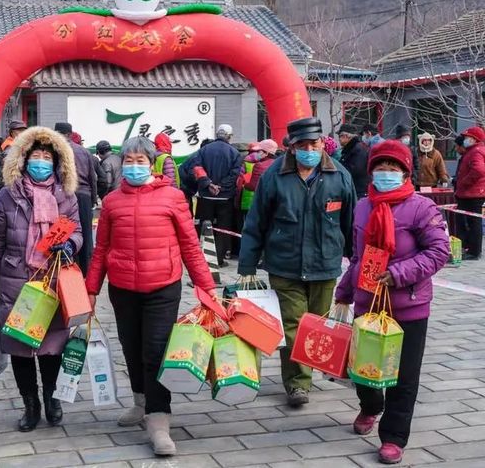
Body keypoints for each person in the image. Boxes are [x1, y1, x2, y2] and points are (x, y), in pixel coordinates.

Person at [85, 136, 216, 457]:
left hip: (163, 287)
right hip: (122, 289)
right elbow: (101, 249)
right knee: (131, 347)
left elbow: (190, 246)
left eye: (140, 161)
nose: (134, 166)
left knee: (155, 352)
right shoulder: (112, 201)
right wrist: (90, 290)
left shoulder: (173, 197)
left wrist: (207, 287)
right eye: (128, 161)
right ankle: (140, 402)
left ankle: (159, 420)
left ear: (151, 163)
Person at [335, 140, 449, 465]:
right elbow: (357, 256)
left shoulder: (421, 208)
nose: (386, 173)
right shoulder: (362, 206)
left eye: (393, 168)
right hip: (368, 302)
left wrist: (398, 273)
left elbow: (438, 251)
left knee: (404, 376)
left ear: (405, 172)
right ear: (371, 172)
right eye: (381, 168)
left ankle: (394, 437)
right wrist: (345, 290)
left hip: (408, 305)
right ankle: (371, 406)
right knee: (363, 369)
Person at [239, 117, 356, 407]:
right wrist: (247, 265)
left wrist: (355, 262)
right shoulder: (274, 175)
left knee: (317, 324)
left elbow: (351, 222)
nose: (309, 150)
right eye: (302, 145)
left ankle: (312, 368)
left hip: (324, 264)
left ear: (322, 143)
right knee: (294, 325)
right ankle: (297, 384)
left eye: (314, 144)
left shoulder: (339, 175)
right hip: (284, 264)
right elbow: (256, 221)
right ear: (291, 147)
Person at [0, 127, 83, 432]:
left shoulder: (66, 195)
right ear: (24, 160)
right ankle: (30, 404)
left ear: (57, 162)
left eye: (47, 157)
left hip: (52, 277)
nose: (41, 162)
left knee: (52, 345)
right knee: (20, 346)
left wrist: (69, 245)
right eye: (35, 156)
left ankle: (52, 398)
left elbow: (77, 230)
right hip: (16, 277)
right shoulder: (8, 195)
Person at [186, 124, 243, 268]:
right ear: (229, 136)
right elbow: (234, 174)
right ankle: (219, 259)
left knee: (205, 227)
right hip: (225, 197)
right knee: (223, 228)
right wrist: (221, 186)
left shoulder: (203, 150)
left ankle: (203, 258)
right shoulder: (235, 153)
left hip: (206, 196)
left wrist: (209, 184)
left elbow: (197, 168)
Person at [54, 122, 97, 273]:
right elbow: (93, 177)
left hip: (64, 194)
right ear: (70, 134)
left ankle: (66, 266)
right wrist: (92, 199)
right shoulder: (84, 151)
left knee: (65, 233)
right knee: (85, 234)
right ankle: (85, 271)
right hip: (84, 194)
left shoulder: (56, 149)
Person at [454, 126, 485, 260]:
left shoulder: (476, 152)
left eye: (467, 137)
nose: (465, 140)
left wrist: (464, 182)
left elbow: (479, 170)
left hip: (472, 194)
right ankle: (470, 248)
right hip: (471, 193)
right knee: (471, 222)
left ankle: (474, 251)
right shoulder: (472, 151)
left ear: (474, 139)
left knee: (473, 223)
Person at [338, 124, 370, 199]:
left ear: (345, 136)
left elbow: (354, 170)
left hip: (358, 191)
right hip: (355, 189)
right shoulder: (352, 148)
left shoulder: (357, 149)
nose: (339, 139)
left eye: (340, 136)